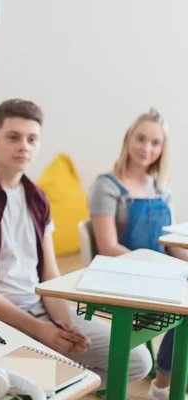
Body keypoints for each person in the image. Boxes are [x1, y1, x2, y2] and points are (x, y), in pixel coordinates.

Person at [0, 99, 152, 390]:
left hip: (40, 310)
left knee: (138, 361)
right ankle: (51, 382)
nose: (23, 146)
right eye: (13, 137)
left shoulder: (36, 197)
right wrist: (40, 330)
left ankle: (57, 383)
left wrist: (66, 326)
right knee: (57, 374)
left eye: (31, 139)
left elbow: (49, 275)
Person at [88, 108, 188, 399]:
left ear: (162, 149)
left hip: (158, 275)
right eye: (140, 139)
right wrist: (158, 271)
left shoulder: (161, 189)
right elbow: (108, 247)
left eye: (155, 143)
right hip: (121, 277)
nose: (146, 148)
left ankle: (165, 382)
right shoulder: (106, 186)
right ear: (128, 139)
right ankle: (166, 384)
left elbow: (168, 245)